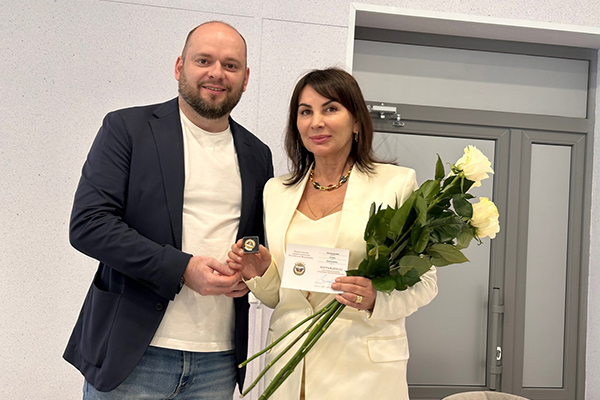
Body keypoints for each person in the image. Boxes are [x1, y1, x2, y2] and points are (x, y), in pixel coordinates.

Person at [64, 21, 273, 399]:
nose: (217, 73)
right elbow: (89, 225)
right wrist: (182, 268)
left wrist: (252, 270)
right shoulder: (127, 128)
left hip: (219, 360)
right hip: (133, 352)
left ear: (245, 79)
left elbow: (253, 241)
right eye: (204, 60)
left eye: (230, 65)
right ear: (180, 67)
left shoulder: (257, 154)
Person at [228, 68, 437, 400]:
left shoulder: (395, 185)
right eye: (305, 112)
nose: (316, 122)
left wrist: (377, 298)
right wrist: (262, 272)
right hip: (289, 371)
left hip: (363, 374)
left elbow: (425, 282)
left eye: (330, 109)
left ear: (356, 121)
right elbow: (281, 297)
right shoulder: (276, 191)